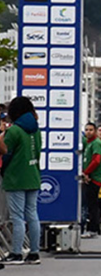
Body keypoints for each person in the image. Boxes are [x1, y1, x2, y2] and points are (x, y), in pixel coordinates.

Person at [0, 96, 42, 266]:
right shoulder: (36, 129)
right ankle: (34, 252)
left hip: (15, 177)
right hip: (32, 175)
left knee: (17, 217)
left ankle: (16, 252)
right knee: (32, 215)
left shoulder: (14, 131)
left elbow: (5, 153)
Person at [83, 122, 101, 239]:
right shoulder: (87, 143)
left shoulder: (96, 143)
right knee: (90, 204)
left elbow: (96, 161)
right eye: (86, 130)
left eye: (91, 130)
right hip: (89, 177)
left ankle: (93, 229)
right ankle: (92, 228)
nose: (88, 132)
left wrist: (86, 173)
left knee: (92, 205)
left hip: (94, 178)